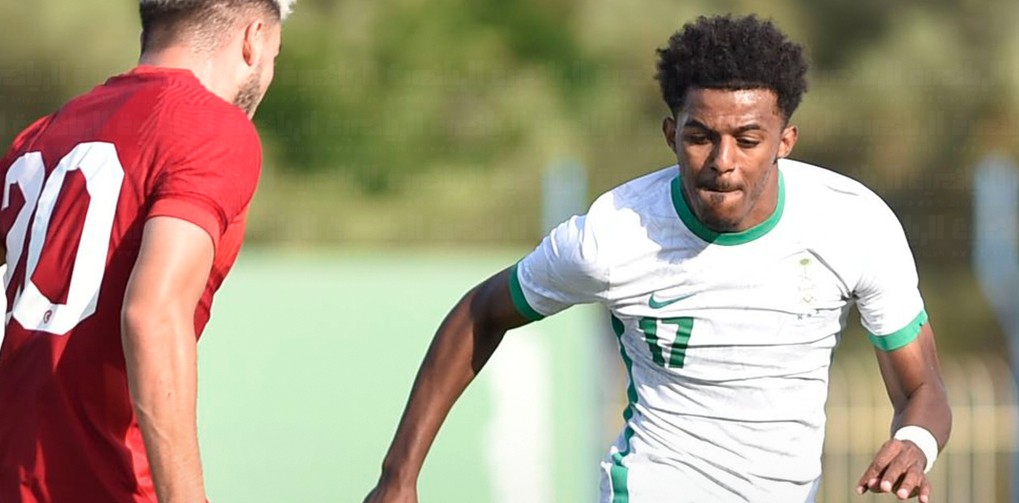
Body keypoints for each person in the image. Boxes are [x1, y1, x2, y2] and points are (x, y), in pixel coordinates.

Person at [365, 14, 951, 503]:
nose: (722, 160)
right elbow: (480, 312)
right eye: (700, 137)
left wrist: (916, 443)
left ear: (785, 142)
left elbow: (923, 386)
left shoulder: (853, 224)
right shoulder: (612, 237)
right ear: (671, 134)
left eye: (748, 140)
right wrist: (399, 476)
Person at [0, 1, 293, 501]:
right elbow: (153, 316)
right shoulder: (212, 127)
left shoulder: (41, 135)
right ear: (254, 38)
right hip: (103, 482)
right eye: (275, 56)